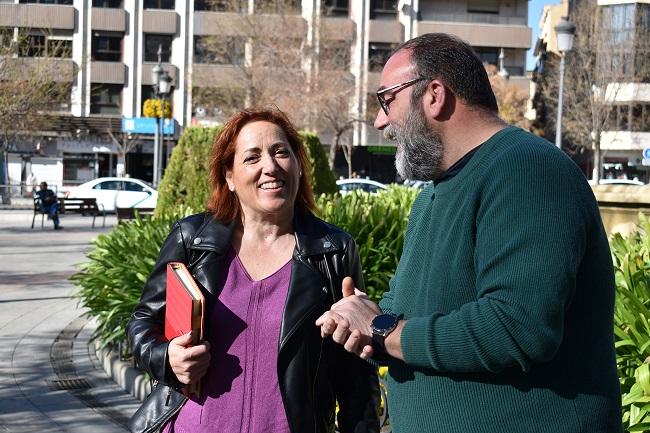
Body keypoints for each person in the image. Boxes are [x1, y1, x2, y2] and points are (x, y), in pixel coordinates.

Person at [316, 33, 621, 433]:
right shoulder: (432, 197)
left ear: (434, 94)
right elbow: (405, 316)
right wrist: (360, 324)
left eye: (386, 100)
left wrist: (382, 329)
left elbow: (517, 327)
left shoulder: (526, 169)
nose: (380, 121)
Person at [126, 108, 379, 433]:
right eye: (252, 158)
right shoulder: (193, 240)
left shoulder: (332, 250)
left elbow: (355, 370)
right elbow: (143, 322)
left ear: (299, 166)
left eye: (281, 152)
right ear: (229, 176)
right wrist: (167, 358)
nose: (270, 167)